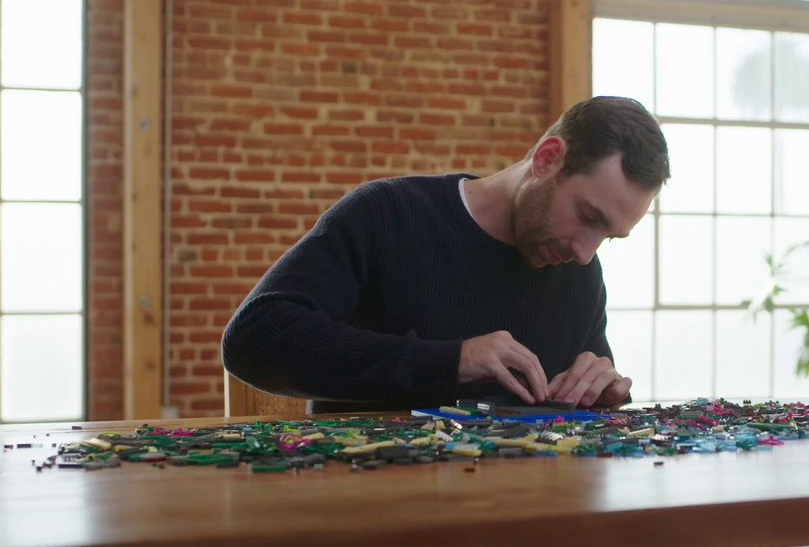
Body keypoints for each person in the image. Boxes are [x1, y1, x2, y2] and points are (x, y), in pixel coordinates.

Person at [222, 96, 670, 414]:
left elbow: (577, 409)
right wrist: (451, 360)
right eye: (587, 216)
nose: (586, 253)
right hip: (372, 504)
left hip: (524, 509)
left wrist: (599, 389)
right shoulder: (387, 216)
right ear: (547, 159)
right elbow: (253, 338)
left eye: (609, 236)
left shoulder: (578, 270)